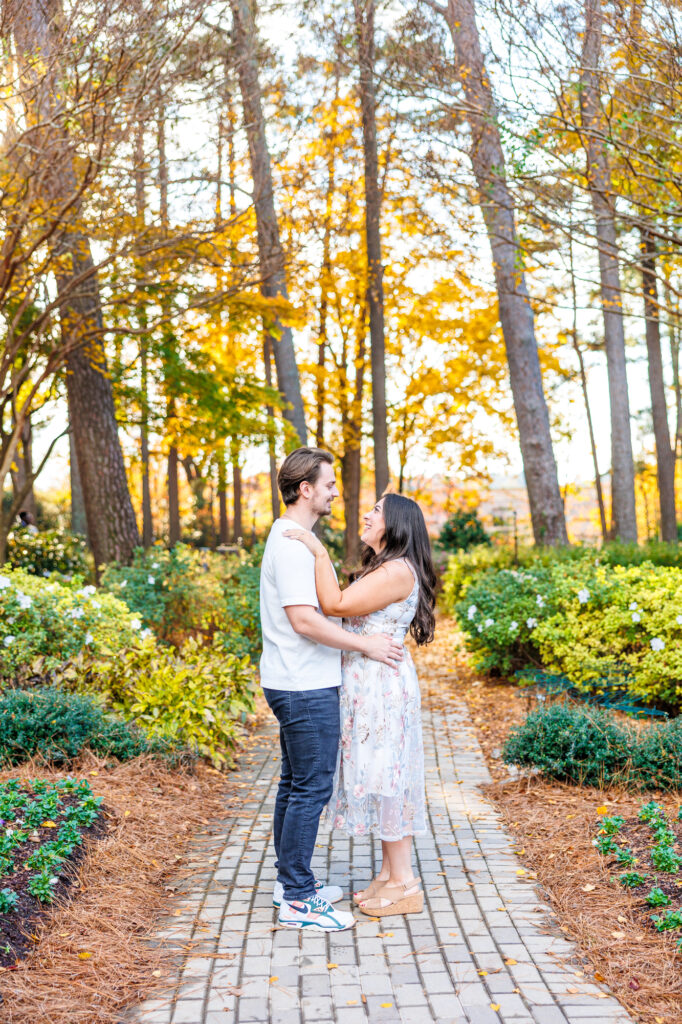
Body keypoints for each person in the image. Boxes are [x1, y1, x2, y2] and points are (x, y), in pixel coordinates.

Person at [260, 447, 404, 933]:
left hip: (295, 679)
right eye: (327, 484)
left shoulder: (292, 538)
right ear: (306, 489)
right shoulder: (294, 544)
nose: (334, 492)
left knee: (294, 784)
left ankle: (289, 883)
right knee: (311, 788)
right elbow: (305, 620)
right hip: (304, 684)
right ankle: (298, 899)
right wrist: (365, 645)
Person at [285, 491, 436, 917]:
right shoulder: (387, 567)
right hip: (369, 682)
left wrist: (316, 551)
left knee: (388, 775)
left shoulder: (394, 571)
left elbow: (335, 604)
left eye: (375, 512)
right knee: (380, 772)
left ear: (396, 525)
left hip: (380, 687)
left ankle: (405, 882)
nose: (366, 515)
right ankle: (390, 875)